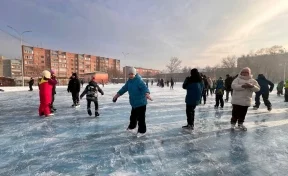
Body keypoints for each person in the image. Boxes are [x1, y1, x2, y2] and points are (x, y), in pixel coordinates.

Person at [113, 67, 152, 137]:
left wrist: (147, 94)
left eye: (132, 74)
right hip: (134, 103)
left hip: (141, 103)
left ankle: (142, 131)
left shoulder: (139, 80)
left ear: (135, 74)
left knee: (141, 118)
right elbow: (123, 89)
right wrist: (116, 95)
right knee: (133, 117)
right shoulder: (129, 82)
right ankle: (132, 127)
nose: (131, 75)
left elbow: (144, 88)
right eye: (129, 74)